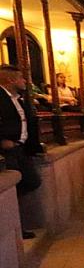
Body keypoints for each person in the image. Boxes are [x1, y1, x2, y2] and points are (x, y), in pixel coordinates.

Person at [0, 66, 42, 238]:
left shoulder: (18, 99)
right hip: (8, 150)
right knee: (14, 185)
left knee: (32, 181)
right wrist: (1, 141)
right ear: (10, 80)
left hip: (21, 148)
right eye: (21, 78)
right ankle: (17, 228)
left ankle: (17, 222)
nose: (25, 81)